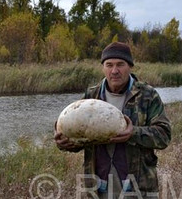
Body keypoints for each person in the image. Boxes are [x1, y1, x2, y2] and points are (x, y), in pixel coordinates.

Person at [54, 42, 171, 198]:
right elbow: (80, 136)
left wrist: (133, 133)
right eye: (109, 65)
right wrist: (64, 142)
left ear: (130, 66)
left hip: (138, 187)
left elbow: (164, 136)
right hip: (97, 188)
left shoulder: (147, 96)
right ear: (103, 67)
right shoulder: (91, 96)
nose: (114, 71)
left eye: (120, 65)